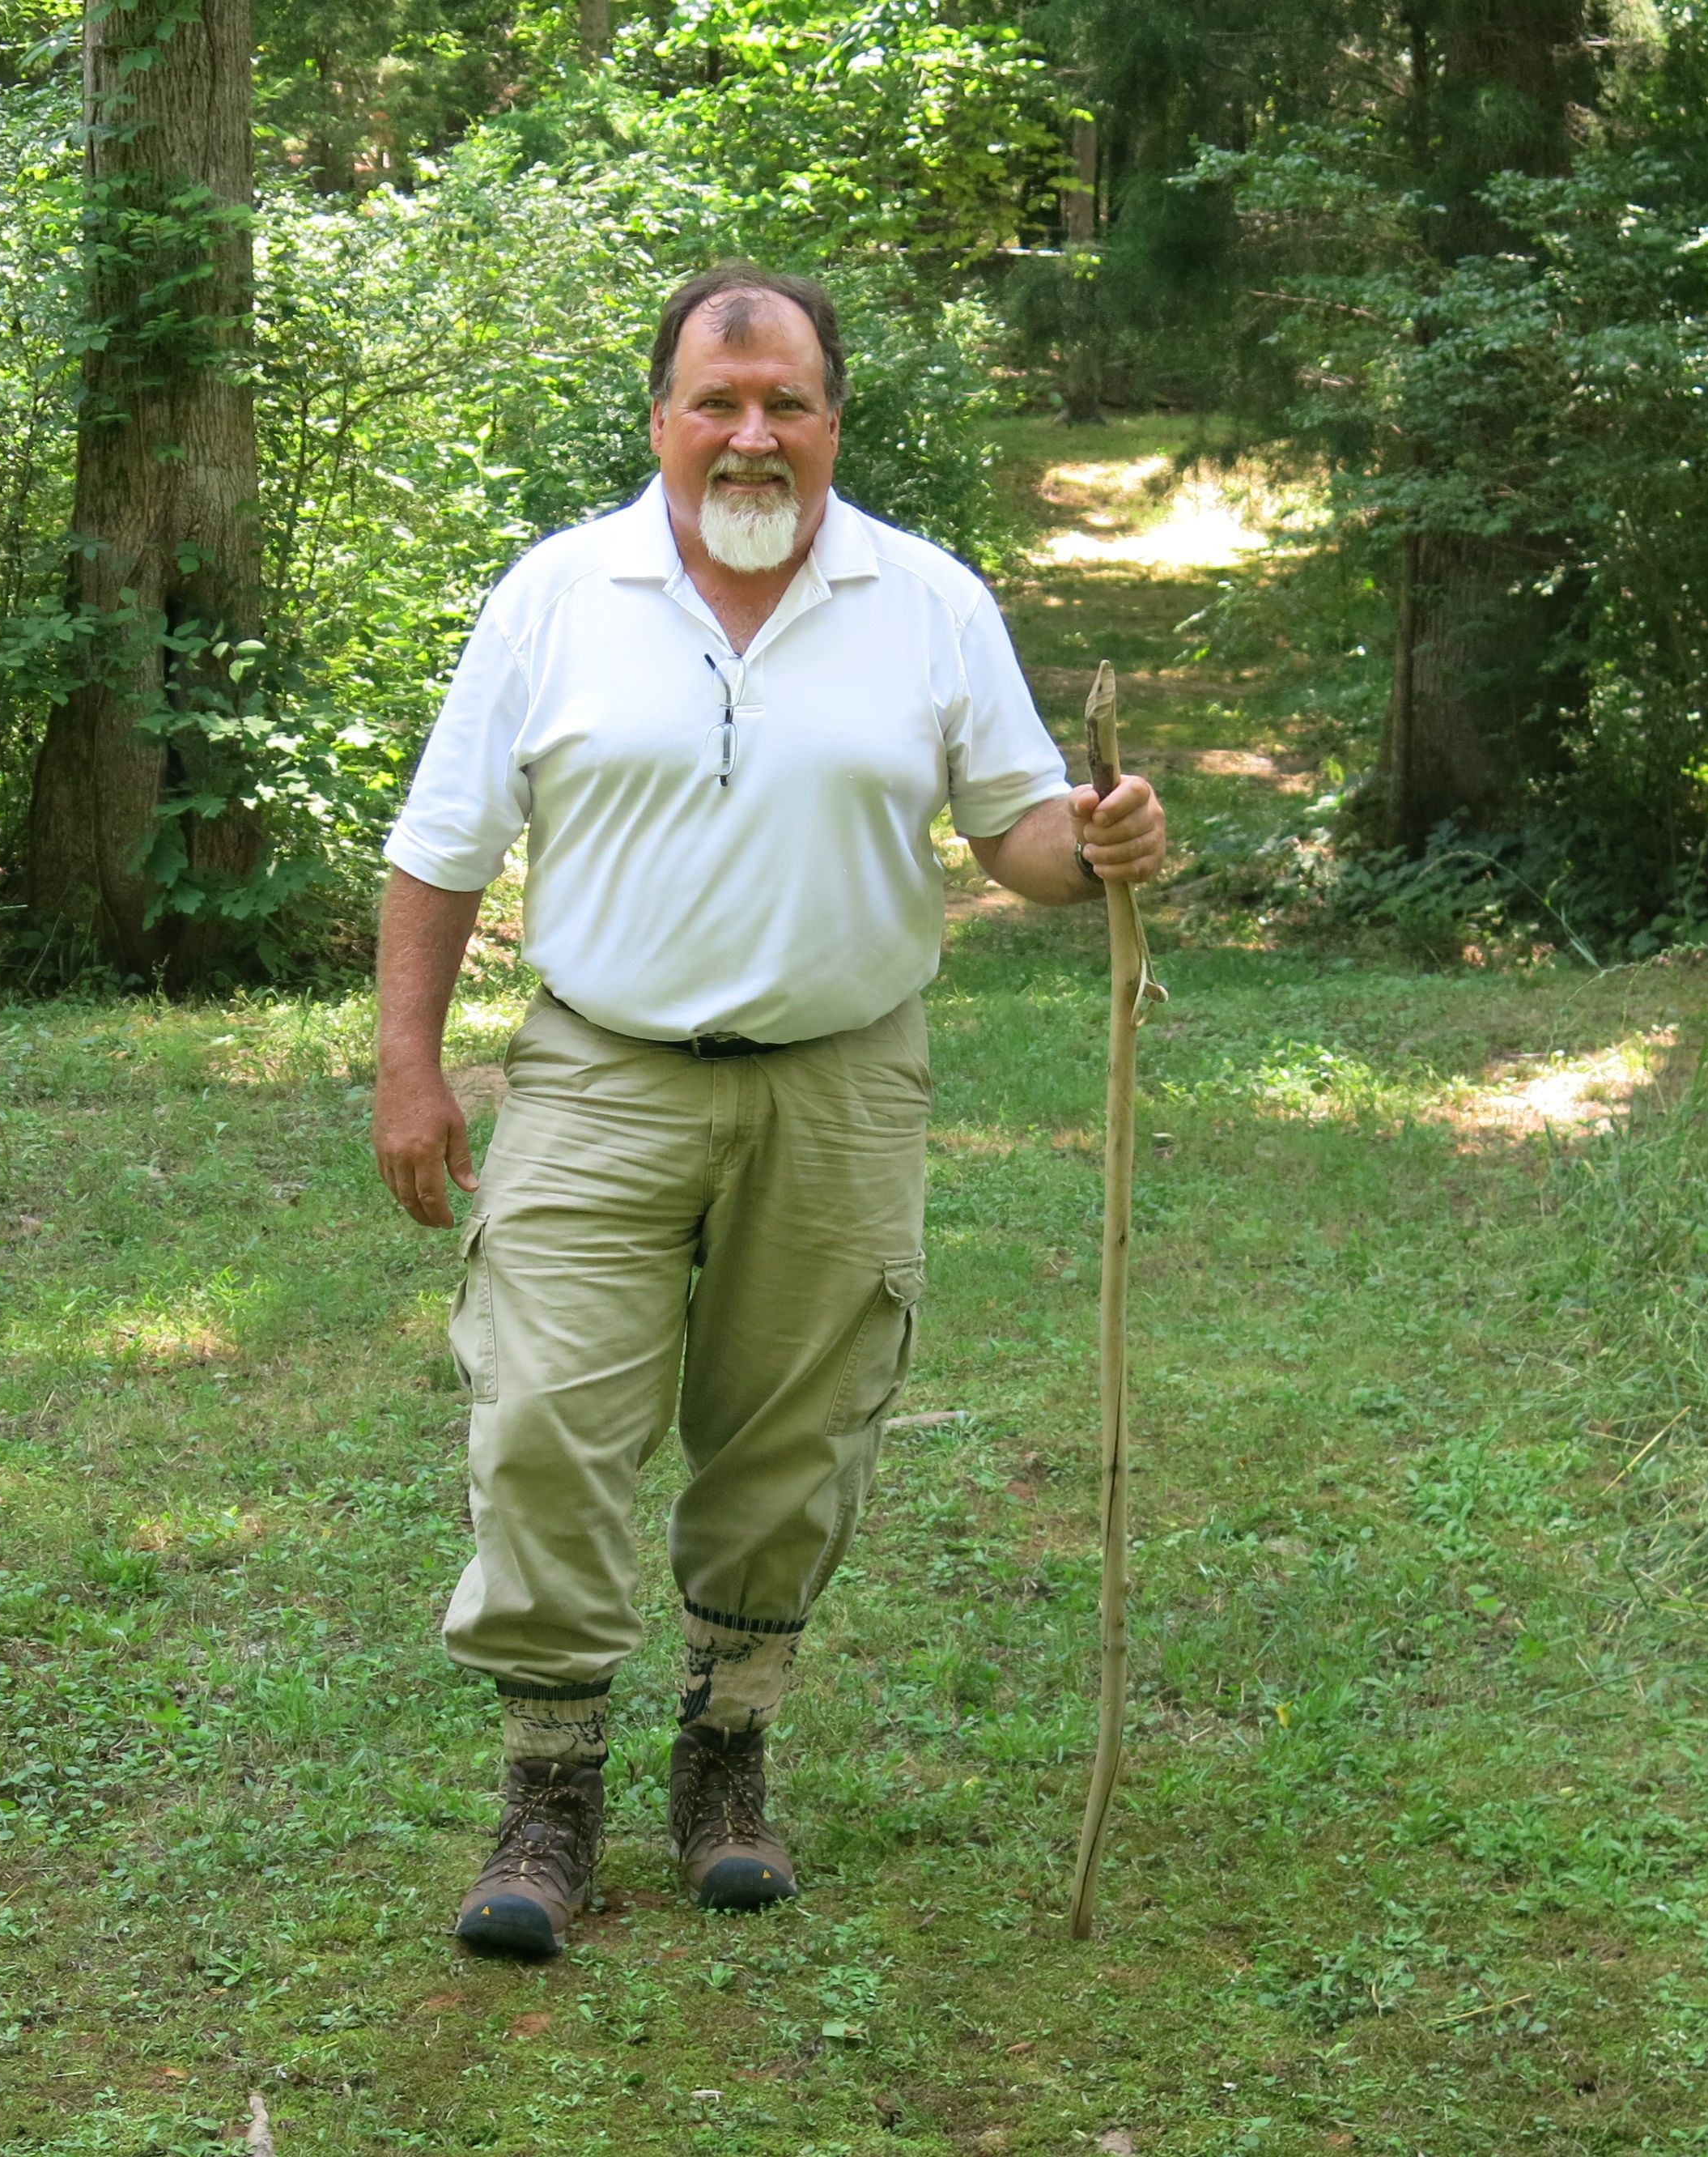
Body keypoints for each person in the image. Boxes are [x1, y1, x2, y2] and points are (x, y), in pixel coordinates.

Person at [371, 262, 1168, 1959]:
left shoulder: (928, 599)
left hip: (841, 1078)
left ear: (828, 422)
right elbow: (440, 847)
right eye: (714, 404)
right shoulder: (556, 593)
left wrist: (1086, 844)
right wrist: (410, 1066)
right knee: (542, 1420)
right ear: (659, 418)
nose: (749, 436)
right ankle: (547, 1789)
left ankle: (725, 1754)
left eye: (782, 404)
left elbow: (1012, 829)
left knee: (793, 1438)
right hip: (598, 1068)